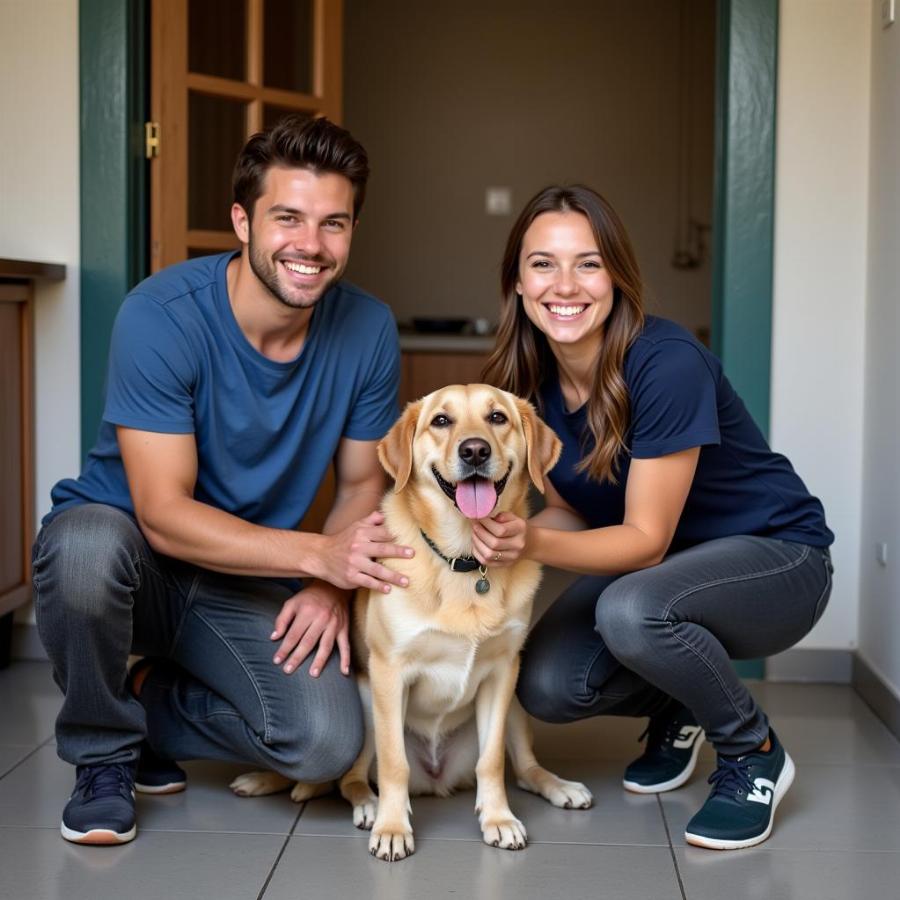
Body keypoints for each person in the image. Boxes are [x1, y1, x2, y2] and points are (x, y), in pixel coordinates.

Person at [32, 115, 414, 845]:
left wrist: (332, 582)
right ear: (241, 220)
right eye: (288, 218)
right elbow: (164, 514)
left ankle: (146, 701)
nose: (312, 245)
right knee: (82, 548)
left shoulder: (367, 328)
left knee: (328, 744)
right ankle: (103, 756)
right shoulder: (161, 314)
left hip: (244, 575)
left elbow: (365, 484)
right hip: (129, 563)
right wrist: (314, 557)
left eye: (334, 223)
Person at [476, 184, 833, 850]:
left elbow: (643, 543)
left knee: (631, 610)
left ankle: (752, 750)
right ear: (517, 283)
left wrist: (525, 542)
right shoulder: (524, 386)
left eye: (588, 262)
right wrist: (491, 540)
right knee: (547, 684)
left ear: (617, 276)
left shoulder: (665, 363)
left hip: (779, 559)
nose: (565, 284)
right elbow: (567, 508)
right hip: (669, 573)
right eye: (543, 263)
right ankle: (683, 701)